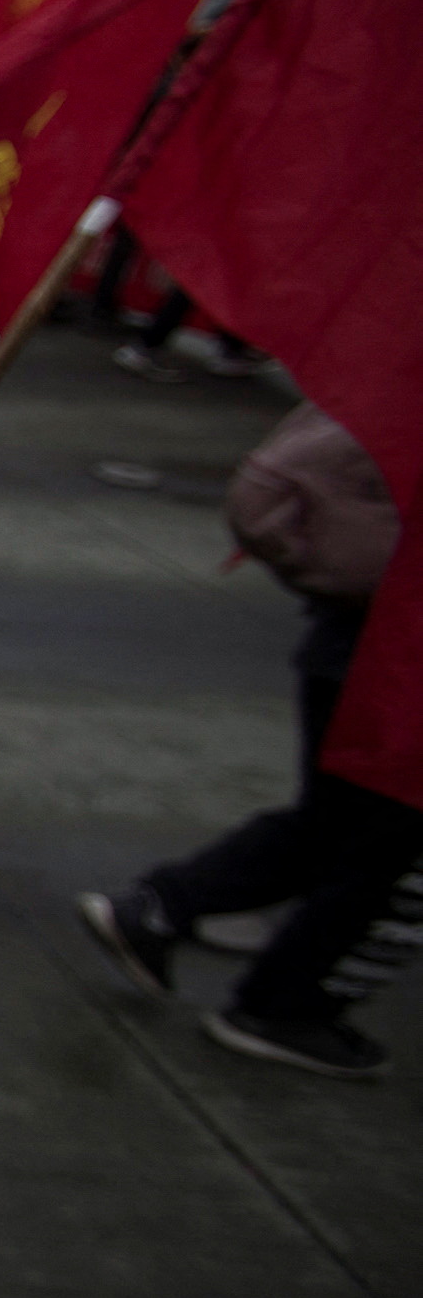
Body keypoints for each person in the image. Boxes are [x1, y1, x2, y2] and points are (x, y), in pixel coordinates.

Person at [79, 408, 416, 1079]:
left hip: (359, 636)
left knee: (337, 823)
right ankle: (283, 1003)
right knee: (381, 842)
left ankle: (165, 908)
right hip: (397, 657)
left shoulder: (387, 369)